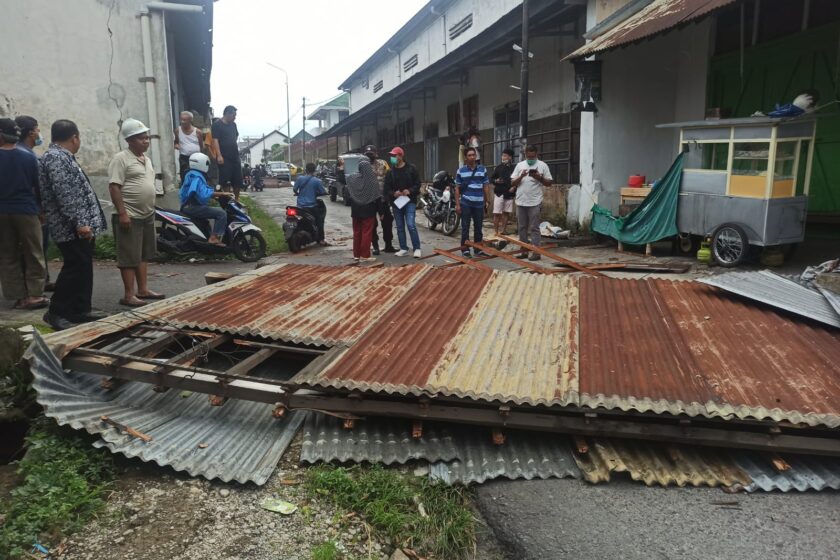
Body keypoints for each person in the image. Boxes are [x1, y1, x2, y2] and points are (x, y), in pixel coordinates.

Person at [39, 119, 108, 330]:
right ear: (74, 137)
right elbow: (66, 194)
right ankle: (57, 312)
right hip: (70, 227)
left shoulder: (64, 157)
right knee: (74, 267)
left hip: (79, 225)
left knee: (83, 266)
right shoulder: (56, 158)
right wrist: (81, 222)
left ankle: (80, 309)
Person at [108, 118, 164, 307]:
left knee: (143, 254)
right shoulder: (121, 159)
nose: (146, 141)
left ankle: (143, 289)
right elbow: (114, 186)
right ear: (130, 140)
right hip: (129, 215)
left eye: (147, 138)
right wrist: (122, 213)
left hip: (146, 214)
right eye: (141, 138)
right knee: (128, 256)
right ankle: (128, 294)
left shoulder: (146, 159)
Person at [0, 118, 48, 310]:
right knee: (34, 252)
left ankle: (17, 295)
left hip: (2, 212)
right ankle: (35, 294)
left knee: (7, 254)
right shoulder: (29, 157)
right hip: (26, 210)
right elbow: (39, 187)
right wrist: (42, 209)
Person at [16, 115, 54, 291]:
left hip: (31, 208)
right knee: (34, 249)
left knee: (38, 247)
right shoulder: (25, 155)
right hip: (31, 209)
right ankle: (33, 287)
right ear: (31, 133)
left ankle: (42, 280)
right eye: (38, 130)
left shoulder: (25, 152)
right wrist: (42, 209)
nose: (39, 134)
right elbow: (35, 186)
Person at [511, 145, 553, 261]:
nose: (530, 159)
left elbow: (549, 183)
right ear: (525, 155)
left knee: (534, 227)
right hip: (520, 201)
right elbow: (512, 183)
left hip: (535, 202)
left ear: (536, 154)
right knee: (522, 227)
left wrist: (539, 178)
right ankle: (524, 251)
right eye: (528, 156)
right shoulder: (520, 166)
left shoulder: (542, 165)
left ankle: (536, 253)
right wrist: (521, 176)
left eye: (532, 157)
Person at [179, 152, 228, 246]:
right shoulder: (196, 176)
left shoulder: (192, 174)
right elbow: (202, 193)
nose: (208, 166)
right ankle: (214, 238)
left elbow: (199, 192)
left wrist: (215, 196)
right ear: (200, 163)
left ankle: (207, 238)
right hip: (192, 207)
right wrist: (221, 193)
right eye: (206, 164)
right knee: (221, 213)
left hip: (188, 206)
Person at [384, 147, 421, 258]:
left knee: (411, 224)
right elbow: (387, 188)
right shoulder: (390, 172)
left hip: (410, 201)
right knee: (399, 226)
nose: (393, 158)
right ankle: (403, 248)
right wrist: (393, 193)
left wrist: (409, 191)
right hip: (397, 203)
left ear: (401, 156)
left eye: (394, 156)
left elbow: (418, 184)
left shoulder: (411, 168)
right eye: (391, 156)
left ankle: (417, 248)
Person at [454, 147, 490, 258]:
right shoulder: (461, 171)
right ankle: (465, 249)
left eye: (473, 155)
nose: (472, 157)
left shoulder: (482, 169)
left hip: (479, 203)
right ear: (466, 157)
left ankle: (478, 249)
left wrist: (487, 200)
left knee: (478, 227)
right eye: (469, 155)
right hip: (466, 203)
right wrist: (458, 204)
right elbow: (457, 188)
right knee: (465, 227)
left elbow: (486, 186)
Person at [346, 157, 381, 263]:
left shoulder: (352, 178)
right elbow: (377, 197)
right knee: (366, 233)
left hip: (355, 210)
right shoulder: (372, 181)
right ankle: (365, 255)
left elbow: (347, 190)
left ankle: (356, 255)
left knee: (357, 232)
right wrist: (381, 212)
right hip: (368, 210)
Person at [364, 145, 395, 255]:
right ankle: (375, 246)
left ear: (376, 154)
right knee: (372, 224)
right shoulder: (363, 165)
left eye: (371, 154)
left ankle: (388, 245)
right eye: (367, 154)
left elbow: (390, 178)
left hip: (383, 199)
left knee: (387, 222)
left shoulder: (383, 163)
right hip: (370, 200)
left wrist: (389, 194)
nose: (370, 156)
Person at [211, 106, 243, 201]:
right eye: (234, 115)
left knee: (237, 180)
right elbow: (215, 140)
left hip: (235, 156)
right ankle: (228, 200)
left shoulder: (233, 125)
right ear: (227, 114)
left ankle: (236, 200)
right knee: (226, 181)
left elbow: (236, 136)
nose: (235, 117)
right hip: (224, 157)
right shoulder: (217, 125)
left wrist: (231, 144)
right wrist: (219, 155)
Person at [293, 162, 329, 246]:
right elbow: (323, 192)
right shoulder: (317, 181)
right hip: (311, 206)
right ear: (315, 171)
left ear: (306, 170)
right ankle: (321, 240)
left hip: (300, 206)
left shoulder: (300, 178)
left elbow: (295, 189)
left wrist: (298, 193)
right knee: (320, 221)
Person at [174, 110, 204, 185]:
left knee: (196, 176)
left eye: (185, 120)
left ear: (191, 120)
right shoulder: (178, 130)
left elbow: (201, 146)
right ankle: (186, 193)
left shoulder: (198, 132)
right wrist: (176, 145)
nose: (182, 121)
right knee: (184, 176)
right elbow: (176, 141)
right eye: (181, 119)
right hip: (184, 158)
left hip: (196, 158)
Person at [491, 148, 516, 236]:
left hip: (509, 193)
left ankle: (503, 230)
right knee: (497, 213)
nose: (503, 157)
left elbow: (517, 180)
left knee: (506, 213)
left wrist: (514, 187)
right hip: (499, 193)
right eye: (502, 155)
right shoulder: (498, 167)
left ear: (510, 157)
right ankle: (495, 232)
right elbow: (491, 179)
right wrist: (496, 181)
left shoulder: (514, 168)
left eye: (505, 156)